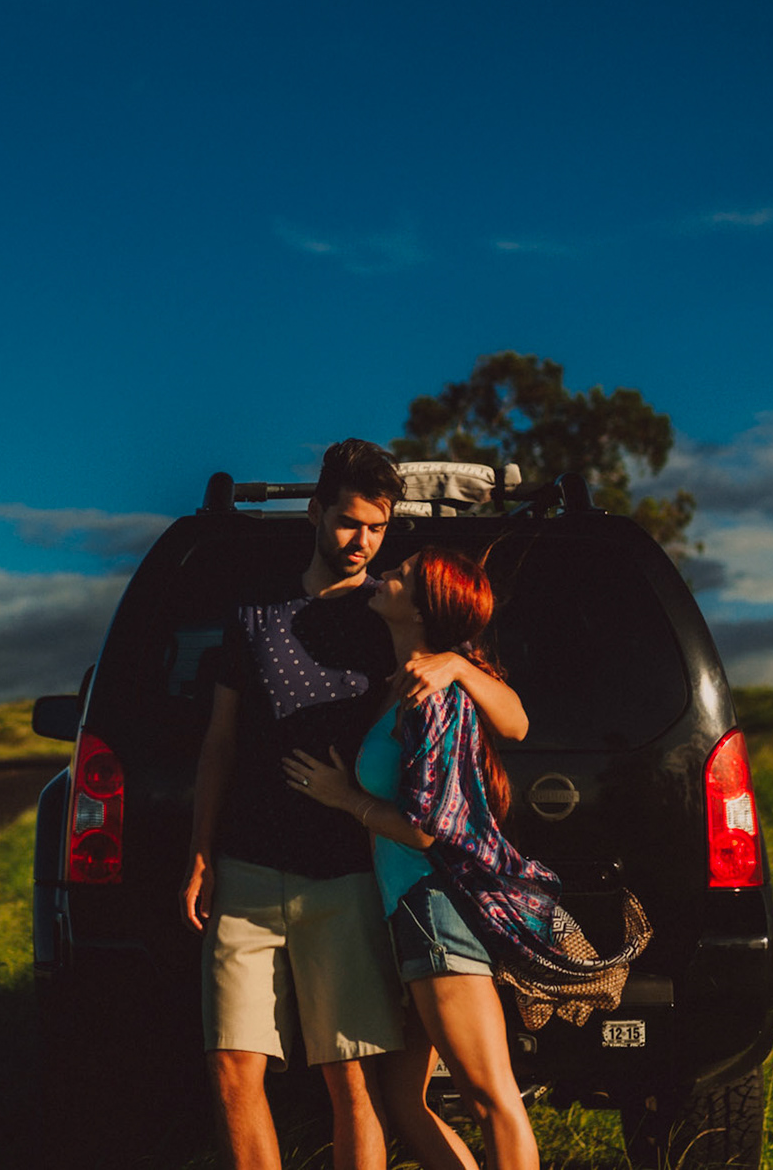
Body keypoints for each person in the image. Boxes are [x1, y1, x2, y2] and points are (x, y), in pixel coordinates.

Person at [179, 440, 529, 1170]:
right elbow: (219, 742)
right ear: (315, 511)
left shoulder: (396, 620)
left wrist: (459, 661)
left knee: (356, 1080)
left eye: (376, 528)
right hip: (246, 871)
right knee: (231, 1068)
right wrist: (201, 850)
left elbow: (511, 717)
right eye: (347, 522)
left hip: (350, 879)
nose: (362, 542)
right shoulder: (256, 617)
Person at [283, 546, 647, 1170]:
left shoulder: (434, 694)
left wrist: (345, 798)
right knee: (405, 1098)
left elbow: (430, 831)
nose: (384, 573)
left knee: (492, 1097)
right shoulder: (409, 682)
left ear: (423, 609)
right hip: (413, 911)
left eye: (401, 575)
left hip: (436, 908)